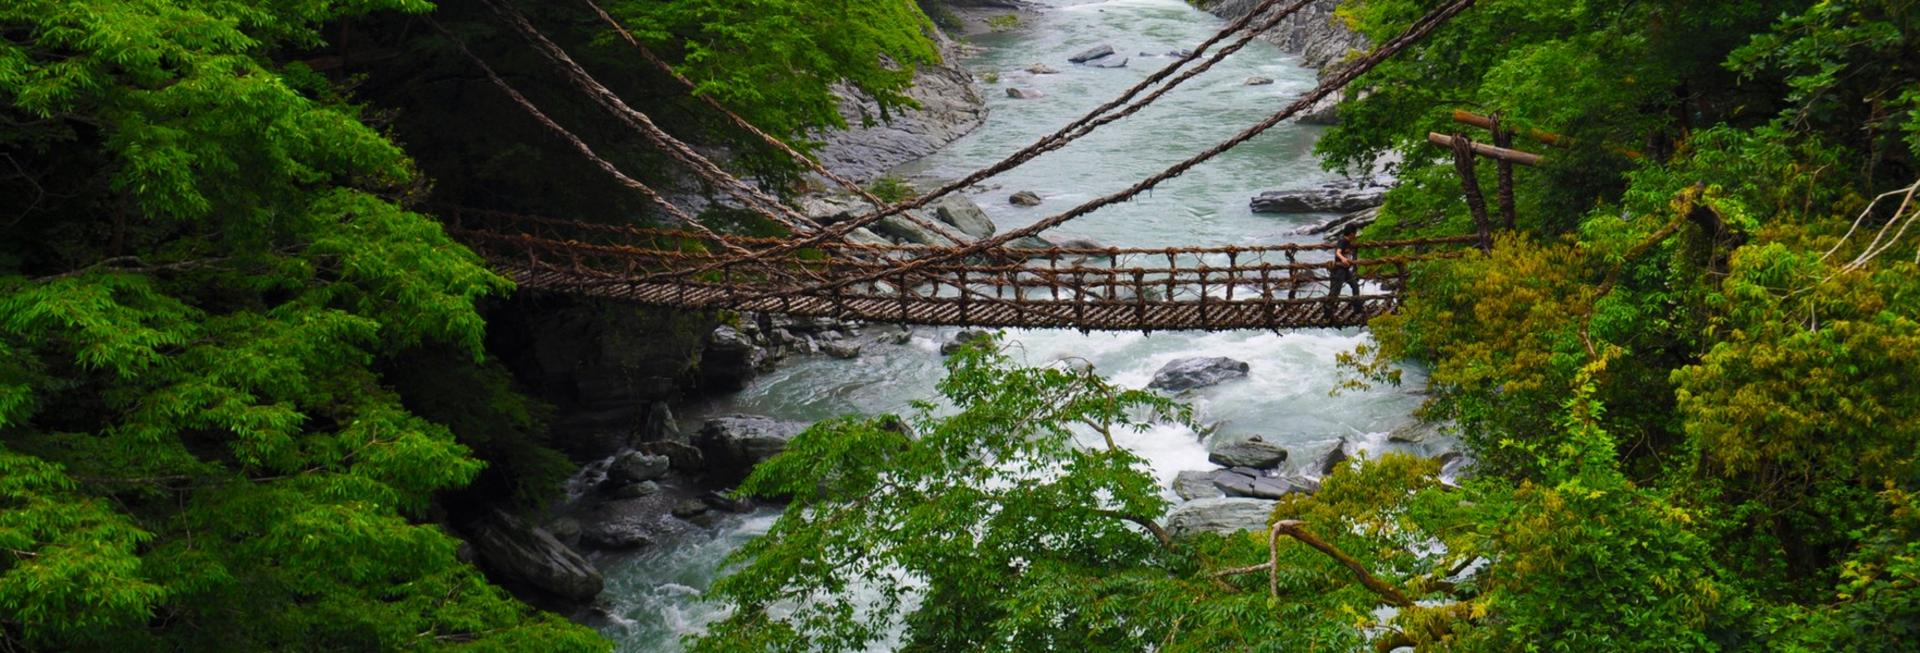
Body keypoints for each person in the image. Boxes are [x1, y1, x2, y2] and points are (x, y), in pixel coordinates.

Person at [1324, 224, 1361, 319]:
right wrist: (1343, 259)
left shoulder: (1349, 242)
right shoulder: (1343, 241)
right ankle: (1327, 311)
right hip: (1339, 270)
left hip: (1345, 270)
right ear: (1352, 233)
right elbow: (1338, 252)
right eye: (1355, 233)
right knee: (1335, 291)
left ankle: (1357, 307)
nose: (1355, 235)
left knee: (1355, 285)